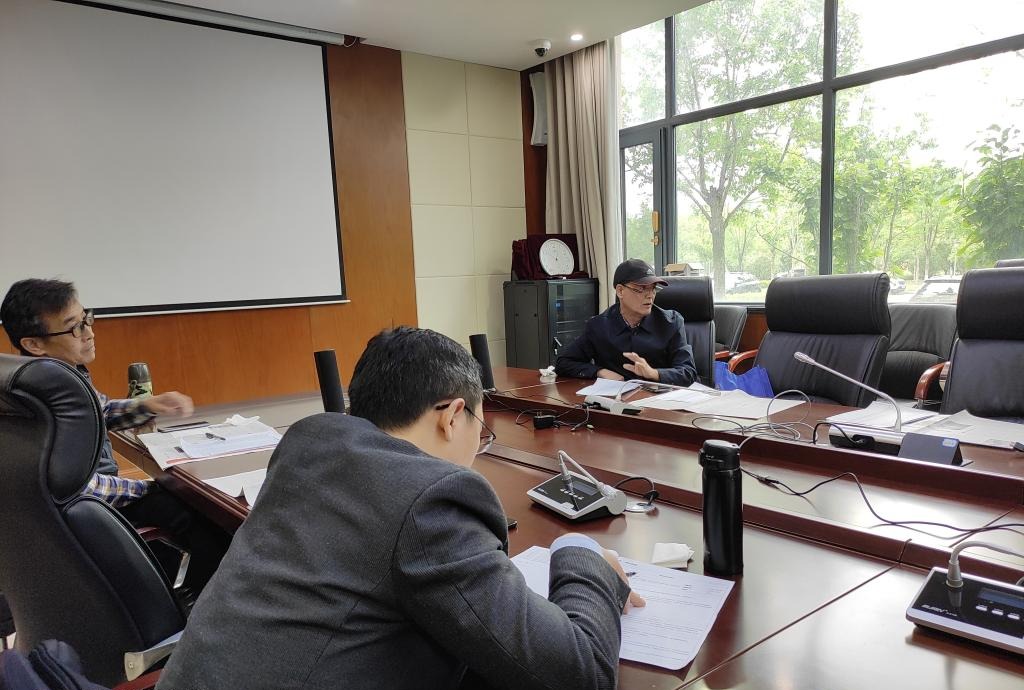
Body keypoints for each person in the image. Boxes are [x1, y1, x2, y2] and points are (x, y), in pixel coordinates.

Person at [158, 327, 645, 690]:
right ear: (452, 415)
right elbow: (579, 674)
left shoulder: (306, 446)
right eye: (481, 429)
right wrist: (581, 555)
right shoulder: (429, 500)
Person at [1, 278, 228, 593]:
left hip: (70, 513)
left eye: (86, 319)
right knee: (205, 515)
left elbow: (97, 410)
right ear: (34, 344)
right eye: (75, 328)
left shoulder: (44, 378)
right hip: (90, 511)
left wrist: (146, 406)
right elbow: (76, 489)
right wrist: (146, 488)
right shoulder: (53, 390)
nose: (90, 333)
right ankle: (206, 606)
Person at [556, 259, 698, 386]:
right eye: (641, 289)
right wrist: (599, 371)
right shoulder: (599, 326)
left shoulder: (671, 323)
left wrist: (654, 373)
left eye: (653, 288)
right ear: (620, 291)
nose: (650, 295)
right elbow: (564, 363)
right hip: (617, 400)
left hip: (661, 400)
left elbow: (688, 372)